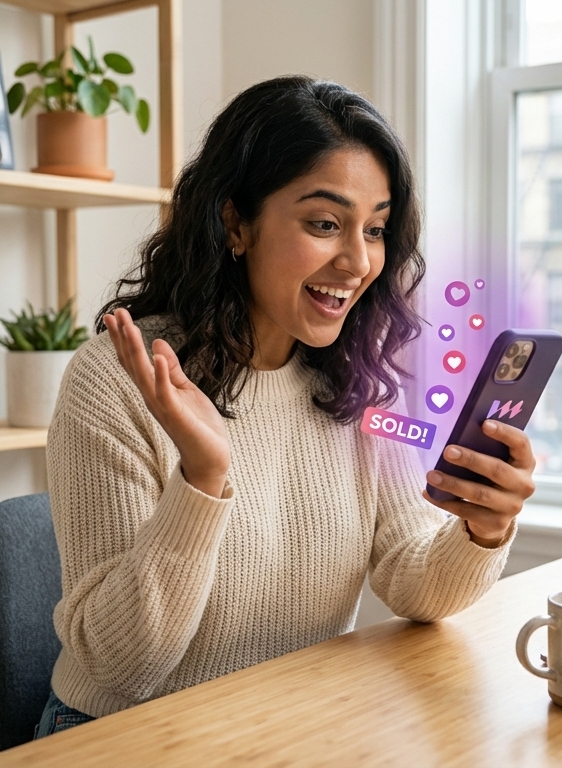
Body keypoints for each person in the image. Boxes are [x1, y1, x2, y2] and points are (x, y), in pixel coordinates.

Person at [35, 77, 536, 736]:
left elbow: (414, 582)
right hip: (122, 738)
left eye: (376, 229)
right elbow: (121, 665)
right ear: (235, 222)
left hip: (287, 724)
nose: (358, 261)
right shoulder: (118, 379)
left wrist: (481, 528)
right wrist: (203, 479)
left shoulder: (355, 380)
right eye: (324, 224)